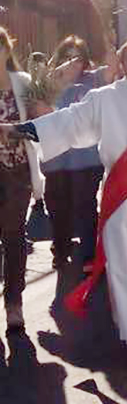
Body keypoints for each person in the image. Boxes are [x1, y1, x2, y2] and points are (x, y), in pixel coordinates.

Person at [0, 38, 127, 368]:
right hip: (122, 198)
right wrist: (26, 130)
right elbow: (70, 122)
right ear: (121, 65)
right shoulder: (104, 99)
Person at [42, 36, 117, 270]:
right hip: (56, 158)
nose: (72, 62)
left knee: (84, 205)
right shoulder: (49, 82)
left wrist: (107, 34)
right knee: (56, 205)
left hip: (86, 158)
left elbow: (113, 67)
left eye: (77, 57)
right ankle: (61, 248)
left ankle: (88, 254)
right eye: (67, 56)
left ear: (85, 61)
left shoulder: (92, 79)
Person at [0, 27, 45, 331]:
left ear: (7, 49)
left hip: (17, 172)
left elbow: (38, 123)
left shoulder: (25, 84)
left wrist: (18, 128)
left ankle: (14, 303)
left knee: (14, 237)